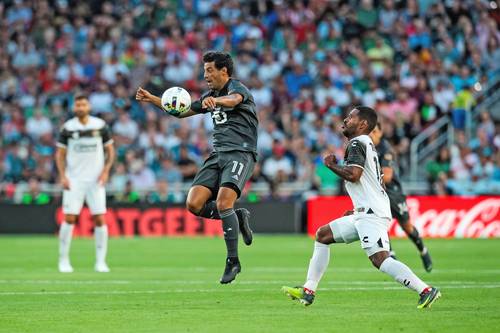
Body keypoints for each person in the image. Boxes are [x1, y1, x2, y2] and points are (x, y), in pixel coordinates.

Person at [282, 106, 440, 308]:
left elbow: (354, 175)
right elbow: (378, 183)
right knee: (323, 235)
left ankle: (425, 290)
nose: (346, 120)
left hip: (371, 214)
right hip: (366, 212)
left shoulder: (358, 142)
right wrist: (359, 208)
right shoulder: (368, 144)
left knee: (380, 259)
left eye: (351, 117)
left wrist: (331, 165)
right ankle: (309, 290)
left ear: (363, 124)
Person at [135, 51, 258, 284]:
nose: (206, 75)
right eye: (204, 71)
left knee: (223, 203)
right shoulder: (210, 95)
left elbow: (233, 101)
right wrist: (152, 98)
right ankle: (237, 216)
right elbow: (181, 112)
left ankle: (233, 261)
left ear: (224, 71)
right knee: (194, 204)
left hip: (240, 153)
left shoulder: (238, 89)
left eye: (210, 70)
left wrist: (216, 101)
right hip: (217, 154)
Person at [55, 95, 115, 273]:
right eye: (77, 104)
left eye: (83, 104)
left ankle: (100, 262)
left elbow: (110, 151)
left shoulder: (100, 125)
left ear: (89, 106)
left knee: (99, 218)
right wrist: (62, 176)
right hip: (74, 179)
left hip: (96, 180)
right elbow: (60, 154)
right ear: (74, 107)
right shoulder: (68, 128)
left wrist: (106, 171)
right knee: (69, 218)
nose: (80, 107)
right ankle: (63, 260)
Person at [370, 123, 433, 272]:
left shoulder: (386, 150)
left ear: (380, 132)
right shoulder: (367, 147)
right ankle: (391, 255)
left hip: (393, 193)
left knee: (407, 226)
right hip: (377, 193)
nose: (371, 134)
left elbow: (387, 177)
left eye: (374, 131)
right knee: (379, 223)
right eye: (369, 131)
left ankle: (423, 250)